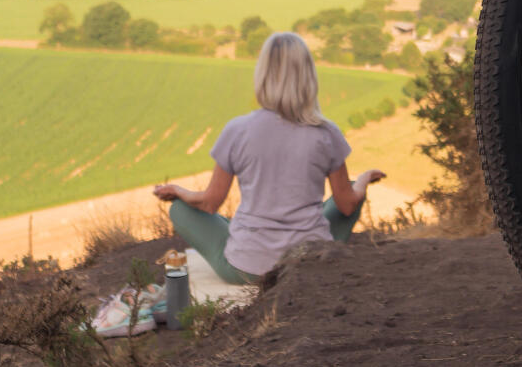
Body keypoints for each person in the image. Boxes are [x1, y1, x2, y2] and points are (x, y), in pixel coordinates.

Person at [153, 31, 385, 285]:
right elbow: (347, 206)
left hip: (247, 269)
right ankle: (310, 253)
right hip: (307, 262)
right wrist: (362, 180)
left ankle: (249, 240)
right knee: (351, 190)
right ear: (308, 76)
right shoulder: (326, 132)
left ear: (262, 76)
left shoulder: (237, 129)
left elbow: (209, 203)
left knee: (181, 210)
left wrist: (179, 192)